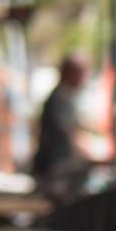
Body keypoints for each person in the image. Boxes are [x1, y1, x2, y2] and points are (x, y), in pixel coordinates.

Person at [31, 54, 91, 202]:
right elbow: (67, 134)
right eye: (80, 72)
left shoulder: (64, 96)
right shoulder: (60, 98)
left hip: (55, 166)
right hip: (55, 169)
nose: (84, 78)